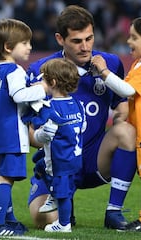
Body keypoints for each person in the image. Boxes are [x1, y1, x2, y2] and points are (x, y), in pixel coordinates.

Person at [26, 5, 137, 230]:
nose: (85, 47)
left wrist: (117, 123)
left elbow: (121, 107)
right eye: (77, 41)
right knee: (43, 218)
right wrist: (48, 139)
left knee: (127, 132)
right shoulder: (40, 70)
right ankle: (65, 203)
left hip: (93, 157)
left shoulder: (111, 64)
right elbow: (30, 131)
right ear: (60, 39)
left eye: (89, 38)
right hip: (57, 161)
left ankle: (114, 211)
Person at [91, 16, 141, 232]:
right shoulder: (140, 63)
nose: (128, 41)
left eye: (134, 37)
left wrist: (103, 71)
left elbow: (127, 91)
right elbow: (123, 87)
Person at [0, 18, 48, 236]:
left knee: (2, 176)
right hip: (11, 134)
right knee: (6, 179)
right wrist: (43, 89)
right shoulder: (15, 71)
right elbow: (19, 95)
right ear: (8, 47)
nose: (30, 47)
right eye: (25, 43)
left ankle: (9, 219)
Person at [24, 58, 86, 232]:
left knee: (63, 194)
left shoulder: (50, 107)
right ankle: (53, 193)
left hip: (60, 161)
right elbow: (83, 127)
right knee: (39, 165)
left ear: (52, 82)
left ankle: (64, 224)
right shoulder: (78, 105)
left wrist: (36, 133)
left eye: (44, 79)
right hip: (75, 157)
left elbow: (45, 135)